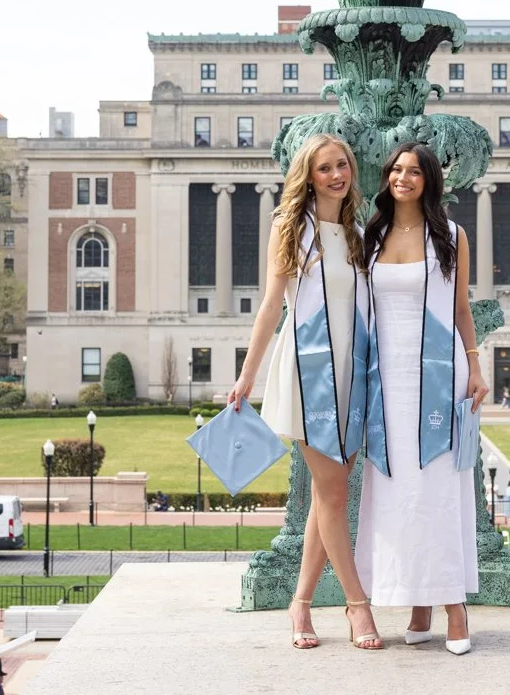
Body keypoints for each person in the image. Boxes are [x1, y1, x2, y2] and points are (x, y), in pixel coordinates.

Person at [229, 133, 381, 651]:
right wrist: (247, 375)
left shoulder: (357, 232)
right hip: (309, 372)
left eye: (342, 165)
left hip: (352, 372)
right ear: (308, 177)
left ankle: (300, 604)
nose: (336, 175)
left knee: (327, 496)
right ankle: (358, 606)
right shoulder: (292, 227)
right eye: (324, 168)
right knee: (334, 493)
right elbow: (272, 304)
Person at [355, 142, 490, 657]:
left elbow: (461, 309)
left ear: (429, 180)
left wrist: (475, 366)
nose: (402, 178)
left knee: (437, 488)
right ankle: (416, 603)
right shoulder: (371, 236)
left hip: (437, 370)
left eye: (414, 171)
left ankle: (454, 605)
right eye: (396, 169)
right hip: (385, 373)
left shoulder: (451, 236)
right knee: (395, 490)